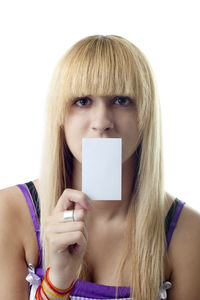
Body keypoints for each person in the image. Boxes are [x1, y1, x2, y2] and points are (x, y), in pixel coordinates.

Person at [0, 35, 200, 300]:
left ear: (145, 115)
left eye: (121, 100)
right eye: (83, 101)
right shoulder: (10, 213)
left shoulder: (188, 232)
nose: (102, 122)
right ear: (61, 115)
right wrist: (58, 280)